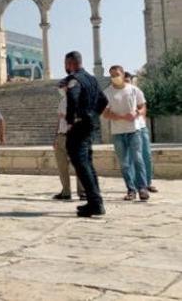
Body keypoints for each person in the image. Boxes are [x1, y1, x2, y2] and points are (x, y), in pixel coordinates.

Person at [63, 51, 108, 217]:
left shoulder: (74, 79)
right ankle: (95, 201)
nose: (66, 67)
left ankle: (95, 203)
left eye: (66, 64)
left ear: (70, 63)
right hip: (90, 126)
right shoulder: (92, 79)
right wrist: (93, 116)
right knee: (87, 163)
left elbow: (73, 99)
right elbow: (104, 101)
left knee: (81, 163)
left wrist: (71, 121)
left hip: (80, 127)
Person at [103, 65, 149, 201]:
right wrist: (117, 117)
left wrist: (137, 113)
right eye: (112, 75)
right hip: (118, 132)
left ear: (123, 74)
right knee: (124, 163)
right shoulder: (107, 93)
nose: (115, 77)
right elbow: (104, 113)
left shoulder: (134, 90)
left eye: (117, 74)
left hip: (134, 130)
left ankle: (143, 188)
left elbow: (142, 107)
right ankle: (131, 190)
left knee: (138, 159)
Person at [52, 79, 85, 201]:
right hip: (61, 136)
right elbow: (59, 120)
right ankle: (66, 191)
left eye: (62, 86)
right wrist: (55, 137)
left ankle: (82, 192)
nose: (60, 89)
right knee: (62, 166)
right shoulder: (63, 101)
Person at [125, 72, 157, 193]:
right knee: (132, 158)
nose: (127, 82)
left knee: (146, 155)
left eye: (129, 80)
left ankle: (147, 182)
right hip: (129, 129)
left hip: (141, 127)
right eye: (126, 80)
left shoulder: (137, 91)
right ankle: (135, 184)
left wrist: (139, 117)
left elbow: (143, 107)